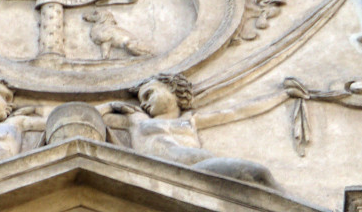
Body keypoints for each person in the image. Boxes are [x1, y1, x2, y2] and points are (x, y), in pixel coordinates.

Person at [111, 74, 282, 190]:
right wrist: (111, 106)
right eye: (141, 100)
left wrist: (283, 95)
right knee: (259, 174)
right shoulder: (137, 118)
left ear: (171, 88)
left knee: (260, 174)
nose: (144, 104)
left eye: (149, 94)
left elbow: (239, 111)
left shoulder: (190, 119)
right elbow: (93, 116)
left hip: (197, 168)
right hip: (167, 172)